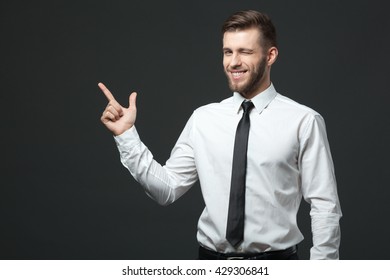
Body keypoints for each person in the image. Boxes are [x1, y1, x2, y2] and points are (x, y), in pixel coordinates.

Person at [99, 10, 342, 260]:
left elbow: (325, 206)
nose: (233, 62)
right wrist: (127, 134)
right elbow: (167, 189)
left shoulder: (303, 120)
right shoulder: (203, 119)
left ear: (270, 56)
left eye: (245, 52)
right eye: (228, 52)